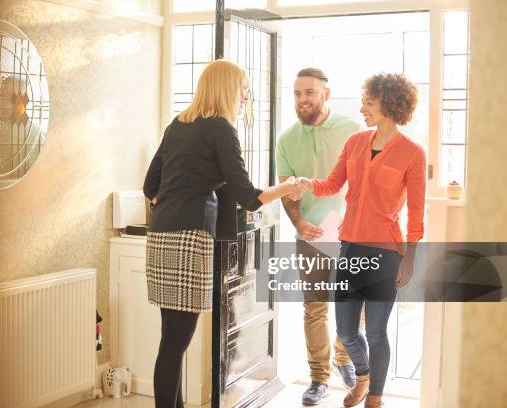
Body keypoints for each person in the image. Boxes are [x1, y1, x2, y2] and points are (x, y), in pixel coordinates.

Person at [143, 59, 305, 408]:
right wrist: (287, 187)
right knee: (175, 342)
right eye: (244, 89)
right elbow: (248, 196)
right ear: (228, 89)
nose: (246, 97)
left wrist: (185, 190)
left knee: (172, 340)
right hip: (189, 238)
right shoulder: (221, 128)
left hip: (160, 237)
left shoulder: (178, 125)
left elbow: (149, 186)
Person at [298, 72, 426, 408]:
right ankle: (364, 378)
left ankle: (375, 398)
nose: (362, 108)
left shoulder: (412, 153)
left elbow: (416, 213)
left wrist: (410, 258)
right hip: (351, 248)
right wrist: (306, 183)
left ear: (389, 104)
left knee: (377, 332)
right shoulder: (355, 142)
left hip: (386, 253)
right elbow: (332, 184)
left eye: (369, 102)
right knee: (346, 331)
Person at [275, 67, 361, 405]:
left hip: (352, 232)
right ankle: (318, 378)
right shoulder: (286, 140)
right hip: (311, 234)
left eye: (309, 92)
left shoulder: (352, 130)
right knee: (315, 307)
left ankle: (344, 357)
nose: (302, 100)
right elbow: (286, 190)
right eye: (297, 93)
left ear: (326, 94)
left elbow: (364, 182)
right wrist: (298, 224)